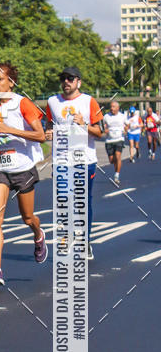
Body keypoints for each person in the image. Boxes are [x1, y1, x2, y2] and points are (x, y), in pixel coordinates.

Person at [0, 62, 47, 286]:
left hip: (22, 167)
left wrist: (9, 130)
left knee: (27, 217)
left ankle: (38, 235)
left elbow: (40, 135)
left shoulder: (22, 103)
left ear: (11, 82)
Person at [45, 66, 103, 260]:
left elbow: (100, 132)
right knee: (63, 197)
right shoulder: (53, 102)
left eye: (70, 78)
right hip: (61, 159)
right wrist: (48, 134)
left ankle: (85, 242)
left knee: (83, 202)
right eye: (63, 78)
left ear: (79, 82)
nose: (66, 82)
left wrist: (83, 124)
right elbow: (48, 128)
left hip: (84, 160)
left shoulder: (89, 102)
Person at [103, 100, 127, 184]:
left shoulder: (122, 116)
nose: (111, 108)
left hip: (119, 139)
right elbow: (103, 126)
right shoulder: (106, 116)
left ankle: (117, 174)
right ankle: (116, 168)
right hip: (109, 140)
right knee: (111, 160)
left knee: (118, 156)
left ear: (118, 108)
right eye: (111, 106)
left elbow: (127, 125)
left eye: (113, 107)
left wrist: (125, 131)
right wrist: (104, 130)